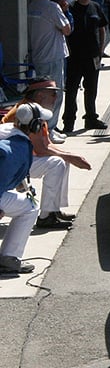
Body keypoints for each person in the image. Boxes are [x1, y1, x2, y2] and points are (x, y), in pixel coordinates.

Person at [2, 78, 91, 229]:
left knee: (63, 160)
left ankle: (53, 210)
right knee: (56, 163)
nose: (56, 98)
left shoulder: (35, 109)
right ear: (39, 95)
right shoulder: (27, 113)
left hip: (20, 159)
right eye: (52, 94)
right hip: (12, 163)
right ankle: (46, 217)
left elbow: (47, 143)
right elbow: (40, 149)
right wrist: (71, 157)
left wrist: (70, 155)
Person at [27, 0, 72, 141]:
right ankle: (49, 129)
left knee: (41, 95)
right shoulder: (53, 7)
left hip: (39, 55)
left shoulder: (32, 6)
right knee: (54, 94)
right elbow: (67, 29)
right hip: (53, 55)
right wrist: (65, 11)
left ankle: (43, 127)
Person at [0, 103, 42, 275]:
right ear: (35, 126)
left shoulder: (6, 131)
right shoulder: (16, 148)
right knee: (30, 207)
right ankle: (8, 258)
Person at [64, 0, 107, 133]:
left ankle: (91, 118)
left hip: (93, 56)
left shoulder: (95, 7)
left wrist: (101, 49)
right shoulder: (70, 8)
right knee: (71, 90)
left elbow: (102, 28)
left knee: (91, 89)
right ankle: (68, 121)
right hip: (75, 57)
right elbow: (65, 33)